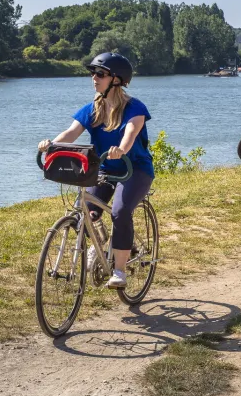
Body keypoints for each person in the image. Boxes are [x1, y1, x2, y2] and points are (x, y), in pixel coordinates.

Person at [37, 52, 154, 289]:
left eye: (100, 74)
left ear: (117, 79)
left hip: (135, 170)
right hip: (104, 170)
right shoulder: (93, 108)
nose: (94, 78)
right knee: (85, 213)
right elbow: (71, 132)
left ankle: (120, 271)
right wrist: (52, 145)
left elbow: (131, 132)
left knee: (120, 212)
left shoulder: (135, 108)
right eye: (93, 73)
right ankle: (102, 246)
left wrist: (121, 149)